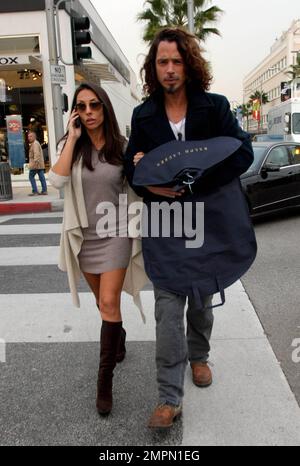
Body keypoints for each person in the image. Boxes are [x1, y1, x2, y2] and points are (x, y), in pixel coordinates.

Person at [125, 27, 254, 428]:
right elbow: (133, 171)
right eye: (162, 62)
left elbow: (242, 151)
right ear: (153, 67)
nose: (169, 69)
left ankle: (199, 356)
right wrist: (145, 173)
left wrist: (200, 181)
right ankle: (168, 396)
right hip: (164, 223)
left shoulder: (213, 107)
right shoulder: (143, 115)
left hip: (208, 221)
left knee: (200, 302)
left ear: (188, 64)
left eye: (176, 61)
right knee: (167, 311)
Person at [48, 82, 132, 416]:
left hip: (117, 232)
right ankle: (119, 336)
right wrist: (72, 138)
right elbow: (57, 181)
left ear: (104, 108)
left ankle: (104, 385)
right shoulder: (73, 146)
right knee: (103, 304)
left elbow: (136, 186)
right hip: (84, 237)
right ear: (76, 114)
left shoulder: (121, 147)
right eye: (81, 107)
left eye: (94, 105)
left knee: (109, 301)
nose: (88, 112)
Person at [28, 130, 48, 195]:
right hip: (39, 165)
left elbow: (36, 154)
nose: (29, 138)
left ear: (34, 137)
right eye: (28, 136)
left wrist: (35, 164)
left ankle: (35, 191)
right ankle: (44, 190)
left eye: (30, 136)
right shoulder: (36, 143)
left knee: (31, 177)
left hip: (35, 165)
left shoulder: (35, 144)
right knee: (42, 177)